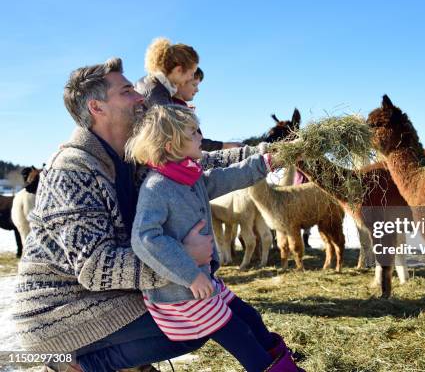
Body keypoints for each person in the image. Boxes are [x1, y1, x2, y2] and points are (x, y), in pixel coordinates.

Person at [11, 58, 276, 372]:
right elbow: (96, 267)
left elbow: (200, 163)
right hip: (59, 314)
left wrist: (271, 154)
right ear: (97, 107)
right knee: (192, 319)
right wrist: (182, 258)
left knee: (201, 308)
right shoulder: (71, 170)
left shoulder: (133, 157)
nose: (140, 97)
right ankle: (77, 366)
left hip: (106, 297)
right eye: (127, 91)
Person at [126, 105, 302, 371]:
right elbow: (144, 239)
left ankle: (284, 363)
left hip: (203, 284)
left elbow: (227, 177)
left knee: (251, 319)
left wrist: (267, 162)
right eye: (194, 132)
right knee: (241, 337)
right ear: (174, 143)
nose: (201, 136)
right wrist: (190, 274)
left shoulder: (188, 176)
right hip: (182, 295)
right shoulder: (158, 187)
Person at [136, 38, 241, 151]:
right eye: (191, 73)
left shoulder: (152, 85)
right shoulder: (157, 93)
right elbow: (180, 137)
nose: (191, 78)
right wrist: (223, 146)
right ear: (179, 70)